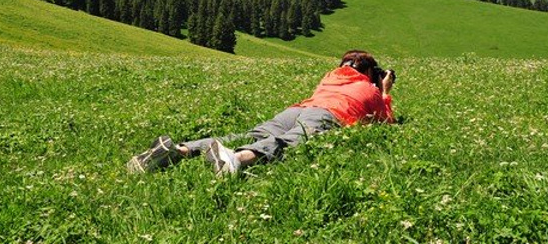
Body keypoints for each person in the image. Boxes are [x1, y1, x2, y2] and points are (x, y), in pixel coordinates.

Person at [127, 50, 396, 175]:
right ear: (368, 71)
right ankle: (236, 160)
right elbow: (386, 121)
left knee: (250, 134)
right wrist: (383, 90)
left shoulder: (330, 77)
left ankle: (179, 150)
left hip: (296, 110)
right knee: (291, 141)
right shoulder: (368, 88)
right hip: (328, 114)